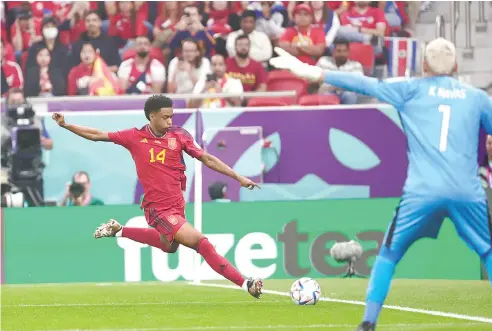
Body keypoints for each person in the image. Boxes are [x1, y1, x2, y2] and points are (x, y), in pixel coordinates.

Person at [270, 38, 492, 331]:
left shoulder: (410, 89)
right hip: (467, 190)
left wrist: (315, 73)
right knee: (487, 252)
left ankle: (368, 323)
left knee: (388, 254)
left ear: (423, 66)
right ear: (457, 66)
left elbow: (365, 84)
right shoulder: (477, 97)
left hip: (421, 192)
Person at [51, 95, 263, 298]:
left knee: (169, 247)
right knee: (202, 243)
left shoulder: (179, 135)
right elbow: (97, 134)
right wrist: (66, 125)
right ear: (151, 116)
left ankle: (119, 230)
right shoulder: (134, 137)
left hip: (177, 205)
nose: (170, 121)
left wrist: (238, 177)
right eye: (165, 117)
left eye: (171, 116)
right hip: (158, 209)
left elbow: (206, 158)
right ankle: (246, 284)